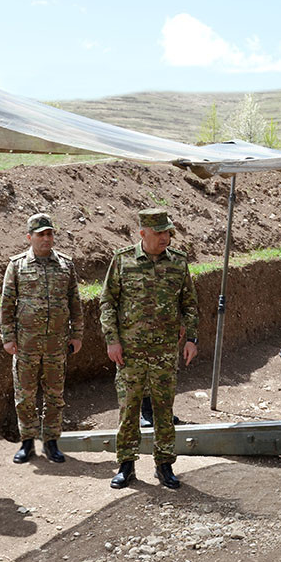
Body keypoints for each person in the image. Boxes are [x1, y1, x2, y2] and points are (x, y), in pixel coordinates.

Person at [100, 208, 198, 490]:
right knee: (128, 410)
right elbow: (107, 302)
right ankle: (126, 465)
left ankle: (164, 465)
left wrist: (191, 339)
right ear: (142, 233)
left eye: (168, 232)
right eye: (159, 233)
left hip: (164, 352)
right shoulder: (122, 261)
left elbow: (189, 304)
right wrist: (112, 340)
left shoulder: (178, 262)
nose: (165, 237)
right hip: (129, 352)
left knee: (164, 410)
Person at [0, 213, 84, 464]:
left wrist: (77, 335)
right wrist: (8, 337)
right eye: (41, 235)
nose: (46, 239)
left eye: (49, 234)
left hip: (56, 344)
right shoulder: (17, 265)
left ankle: (51, 441)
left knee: (55, 395)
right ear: (30, 237)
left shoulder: (66, 265)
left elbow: (75, 302)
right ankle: (27, 441)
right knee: (25, 395)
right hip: (26, 343)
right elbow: (7, 304)